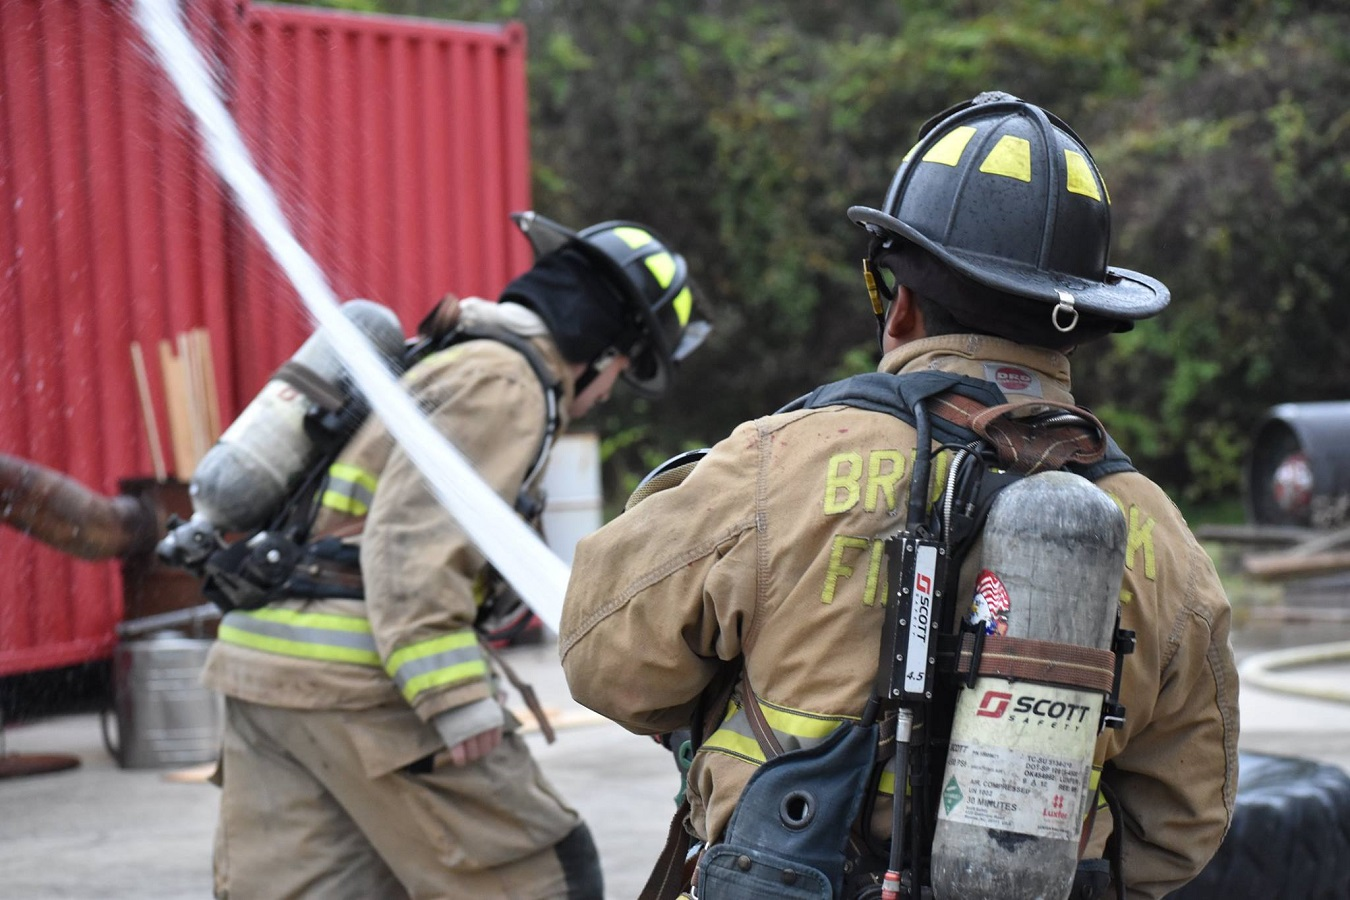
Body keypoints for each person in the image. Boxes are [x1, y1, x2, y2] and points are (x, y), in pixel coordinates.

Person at [560, 93, 1238, 900]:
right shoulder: (1160, 538)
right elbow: (1185, 816)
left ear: (901, 302)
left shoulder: (783, 461)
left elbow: (604, 658)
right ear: (1077, 328)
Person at [200, 210, 711, 900]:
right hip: (359, 684)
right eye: (621, 367)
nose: (608, 392)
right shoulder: (504, 383)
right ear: (599, 348)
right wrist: (454, 696)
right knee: (540, 874)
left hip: (263, 667)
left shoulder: (447, 358)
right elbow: (409, 545)